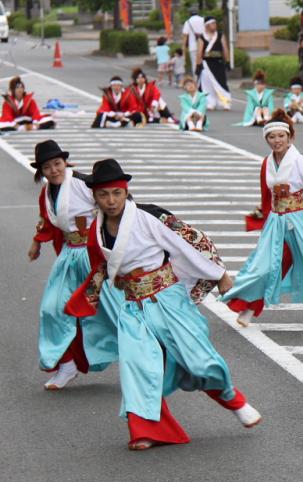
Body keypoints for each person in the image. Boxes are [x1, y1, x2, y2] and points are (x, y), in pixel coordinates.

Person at [64, 159, 262, 451]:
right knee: (137, 366)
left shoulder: (149, 216)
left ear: (125, 191)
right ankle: (147, 430)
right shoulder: (96, 229)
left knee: (199, 360)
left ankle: (234, 400)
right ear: (94, 196)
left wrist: (219, 274)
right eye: (103, 194)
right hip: (133, 306)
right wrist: (88, 299)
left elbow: (190, 242)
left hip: (168, 298)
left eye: (116, 193)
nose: (110, 200)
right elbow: (99, 265)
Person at [28, 141, 122, 390]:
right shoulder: (47, 193)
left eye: (57, 164)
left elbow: (113, 202)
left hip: (94, 256)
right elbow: (46, 220)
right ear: (41, 171)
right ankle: (66, 364)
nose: (54, 170)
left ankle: (152, 356)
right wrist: (36, 243)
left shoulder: (82, 183)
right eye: (47, 167)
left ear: (65, 163)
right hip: (70, 256)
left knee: (116, 313)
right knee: (53, 308)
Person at [220, 110, 303, 327]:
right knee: (263, 267)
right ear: (266, 139)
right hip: (276, 222)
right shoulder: (267, 163)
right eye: (272, 137)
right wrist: (261, 217)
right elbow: (266, 196)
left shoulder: (300, 162)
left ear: (290, 137)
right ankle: (249, 305)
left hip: (301, 222)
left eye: (281, 136)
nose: (277, 141)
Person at [196, 16, 231, 111]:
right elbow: (199, 52)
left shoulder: (220, 35)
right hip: (206, 64)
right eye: (212, 24)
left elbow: (225, 49)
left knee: (221, 83)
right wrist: (198, 65)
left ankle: (225, 102)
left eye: (215, 23)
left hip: (218, 62)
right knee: (207, 85)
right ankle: (210, 103)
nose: (214, 25)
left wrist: (227, 61)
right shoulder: (202, 37)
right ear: (207, 25)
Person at [181, 6, 205, 74]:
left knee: (195, 65)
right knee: (205, 65)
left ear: (189, 13)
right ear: (198, 12)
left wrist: (183, 51)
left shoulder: (187, 22)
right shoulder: (203, 20)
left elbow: (185, 37)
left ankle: (197, 81)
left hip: (193, 47)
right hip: (204, 46)